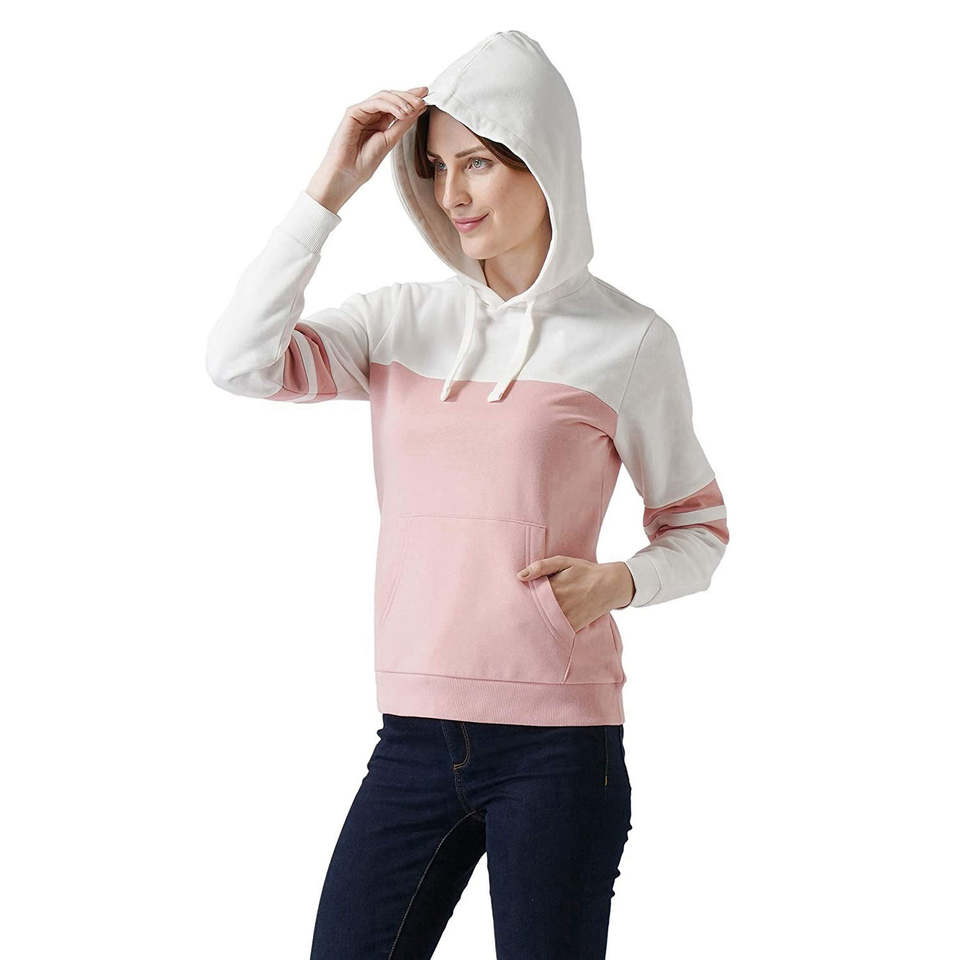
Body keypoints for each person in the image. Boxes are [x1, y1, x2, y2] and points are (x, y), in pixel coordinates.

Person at [206, 29, 729, 960]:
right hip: (413, 738)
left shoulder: (631, 341)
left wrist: (616, 583)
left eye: (478, 162)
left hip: (558, 749)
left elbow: (698, 529)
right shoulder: (399, 322)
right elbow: (240, 362)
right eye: (437, 167)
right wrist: (329, 190)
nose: (451, 193)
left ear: (543, 163)